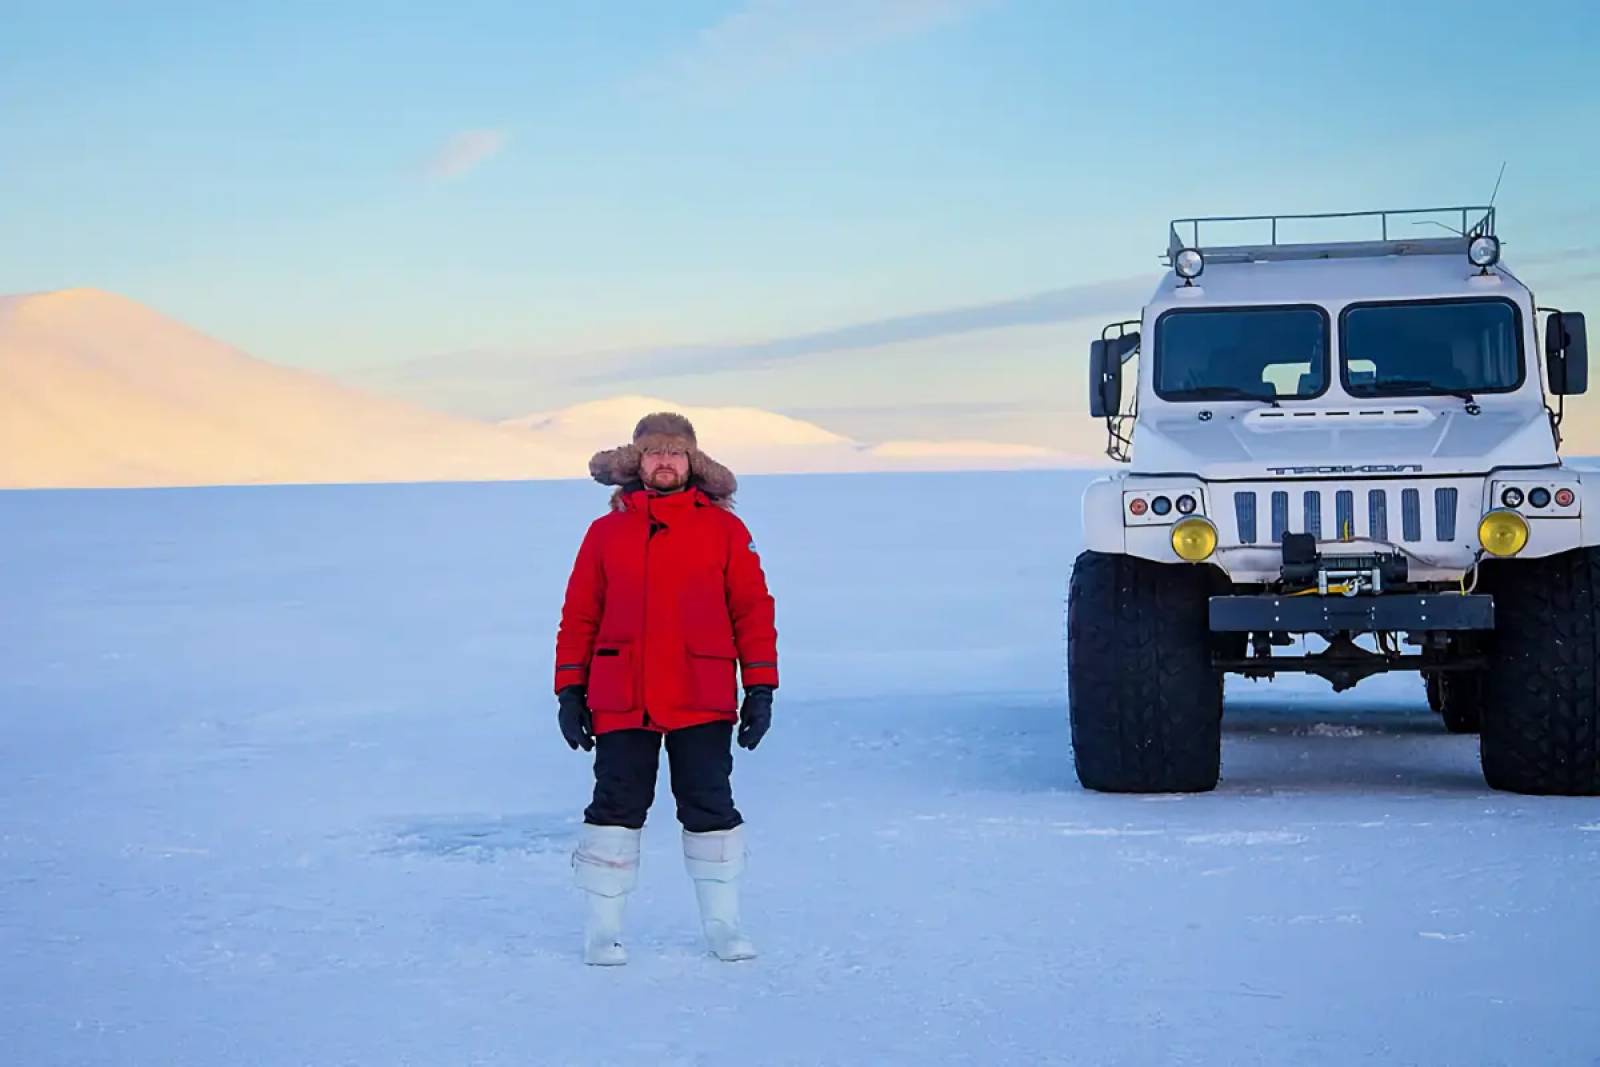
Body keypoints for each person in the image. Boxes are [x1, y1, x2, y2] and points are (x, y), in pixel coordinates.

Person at [553, 412, 779, 965]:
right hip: (620, 693)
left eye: (675, 453)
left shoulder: (726, 531)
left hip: (700, 692)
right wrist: (569, 689)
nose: (664, 462)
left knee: (710, 806)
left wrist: (761, 686)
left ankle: (724, 926)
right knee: (614, 806)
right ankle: (602, 931)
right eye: (654, 453)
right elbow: (580, 614)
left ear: (691, 462)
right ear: (637, 462)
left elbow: (751, 610)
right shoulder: (606, 532)